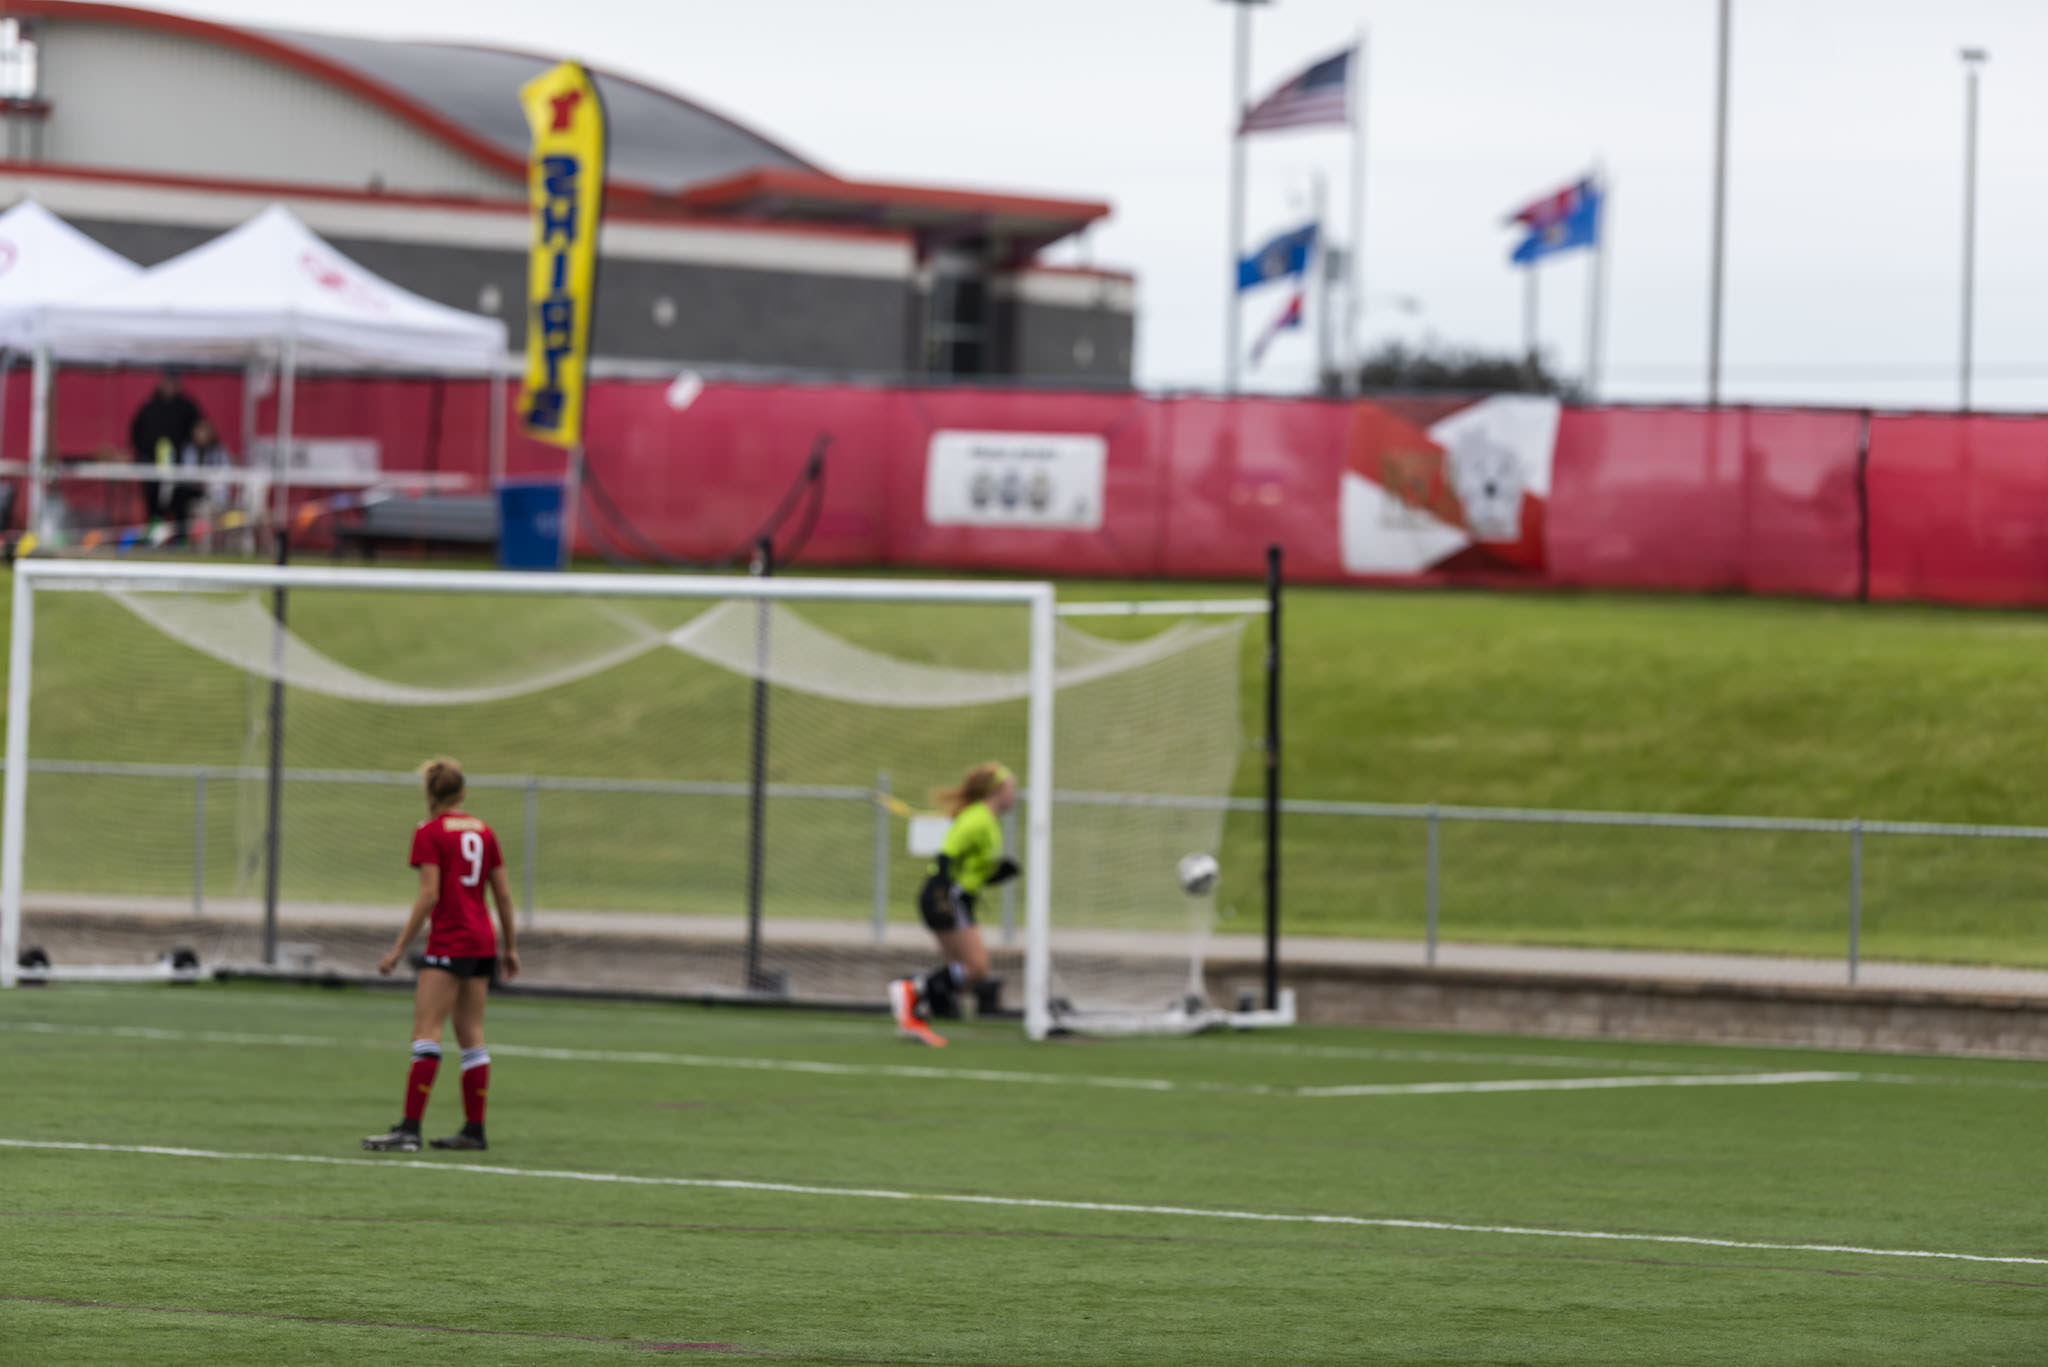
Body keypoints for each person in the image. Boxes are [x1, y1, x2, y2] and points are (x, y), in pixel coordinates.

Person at [362, 758, 519, 1154]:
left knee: (427, 1032)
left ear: (430, 795)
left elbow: (429, 894)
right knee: (472, 1036)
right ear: (462, 793)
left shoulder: (430, 832)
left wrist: (399, 948)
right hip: (483, 941)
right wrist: (510, 946)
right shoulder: (484, 831)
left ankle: (410, 1129)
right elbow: (502, 893)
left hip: (450, 940)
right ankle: (474, 1129)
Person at [888, 761, 1019, 1047]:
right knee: (977, 968)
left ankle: (916, 1014)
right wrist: (942, 891)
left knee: (961, 971)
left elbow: (970, 871)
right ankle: (912, 989)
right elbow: (947, 854)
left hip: (957, 895)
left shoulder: (987, 820)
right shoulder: (978, 818)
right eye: (1012, 788)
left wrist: (997, 874)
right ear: (998, 790)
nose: (1016, 795)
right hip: (948, 896)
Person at [128, 370, 203, 526]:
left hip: (179, 465)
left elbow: (200, 432)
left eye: (173, 382)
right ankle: (155, 534)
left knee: (179, 502)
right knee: (153, 503)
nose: (170, 386)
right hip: (150, 463)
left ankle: (180, 538)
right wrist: (142, 455)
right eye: (167, 382)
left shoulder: (187, 407)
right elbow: (135, 433)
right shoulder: (148, 407)